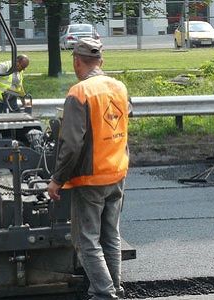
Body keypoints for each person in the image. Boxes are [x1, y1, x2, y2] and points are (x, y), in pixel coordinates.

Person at [46, 38, 130, 300]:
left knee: (87, 241)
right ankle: (114, 287)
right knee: (111, 236)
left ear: (77, 61)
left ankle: (105, 294)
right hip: (117, 172)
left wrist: (57, 180)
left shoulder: (79, 93)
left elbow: (71, 144)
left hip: (91, 177)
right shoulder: (119, 87)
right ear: (101, 62)